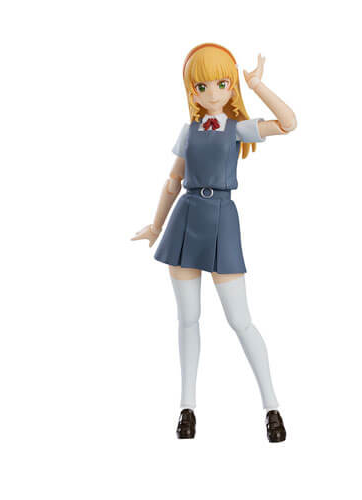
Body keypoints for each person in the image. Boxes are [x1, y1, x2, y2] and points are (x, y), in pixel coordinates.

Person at [132, 43, 296, 442]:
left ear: (231, 86)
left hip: (222, 220)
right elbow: (173, 181)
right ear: (192, 89)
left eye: (221, 83)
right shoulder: (188, 131)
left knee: (240, 320)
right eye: (202, 85)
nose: (212, 92)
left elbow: (288, 123)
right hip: (186, 219)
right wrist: (156, 225)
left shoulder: (237, 128)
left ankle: (272, 406)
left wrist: (257, 85)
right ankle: (186, 407)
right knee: (187, 318)